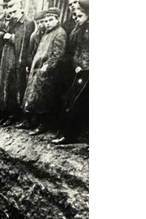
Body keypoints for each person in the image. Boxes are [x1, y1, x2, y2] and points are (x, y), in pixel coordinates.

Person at [21, 8, 67, 136]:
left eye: (50, 20)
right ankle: (34, 122)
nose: (47, 23)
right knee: (34, 96)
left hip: (48, 73)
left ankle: (43, 125)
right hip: (38, 69)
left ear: (57, 19)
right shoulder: (47, 33)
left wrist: (47, 67)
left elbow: (58, 55)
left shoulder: (60, 33)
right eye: (46, 20)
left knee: (44, 99)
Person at [52, 0, 89, 145]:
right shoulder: (77, 30)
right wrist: (76, 65)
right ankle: (69, 135)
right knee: (72, 101)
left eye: (79, 16)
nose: (76, 19)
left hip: (88, 71)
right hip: (79, 70)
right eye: (74, 16)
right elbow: (74, 50)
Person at [0, 2, 35, 126]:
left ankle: (16, 115)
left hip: (19, 60)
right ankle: (6, 114)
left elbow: (25, 42)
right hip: (6, 59)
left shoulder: (28, 23)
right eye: (10, 13)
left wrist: (11, 37)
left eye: (14, 12)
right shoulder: (10, 22)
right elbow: (1, 37)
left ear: (21, 9)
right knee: (5, 87)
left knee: (16, 88)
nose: (12, 15)